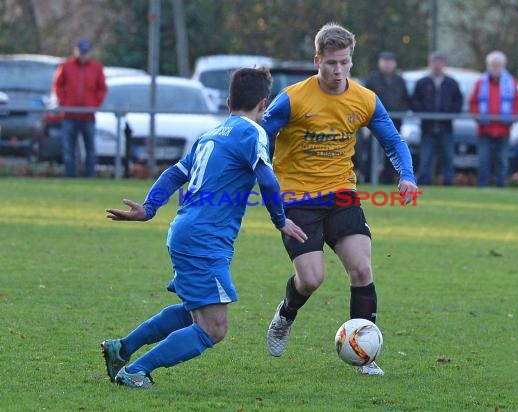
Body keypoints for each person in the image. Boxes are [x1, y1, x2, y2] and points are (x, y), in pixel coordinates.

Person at [100, 68, 307, 389]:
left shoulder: (210, 135)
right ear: (264, 105)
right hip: (204, 238)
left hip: (185, 230)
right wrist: (281, 220)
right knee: (214, 328)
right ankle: (136, 370)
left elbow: (174, 173)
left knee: (192, 311)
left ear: (227, 102)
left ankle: (121, 349)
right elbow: (268, 180)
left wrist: (150, 208)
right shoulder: (253, 133)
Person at [262, 23, 418, 376]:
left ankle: (365, 355)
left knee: (362, 268)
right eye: (331, 63)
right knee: (311, 279)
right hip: (297, 199)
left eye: (344, 62)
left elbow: (393, 142)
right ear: (317, 60)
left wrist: (406, 175)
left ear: (351, 60)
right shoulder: (292, 98)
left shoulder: (364, 99)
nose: (337, 70)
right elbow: (258, 138)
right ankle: (286, 315)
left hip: (342, 193)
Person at [53, 38, 107, 178]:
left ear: (90, 52)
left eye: (86, 52)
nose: (83, 55)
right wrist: (63, 102)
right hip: (69, 115)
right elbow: (57, 85)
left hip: (88, 115)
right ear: (75, 51)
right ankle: (69, 176)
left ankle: (90, 177)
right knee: (68, 149)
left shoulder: (97, 68)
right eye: (81, 52)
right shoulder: (66, 66)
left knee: (90, 149)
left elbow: (102, 88)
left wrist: (94, 105)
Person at [469, 50, 518, 187]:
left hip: (503, 129)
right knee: (483, 159)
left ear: (504, 65)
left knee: (502, 160)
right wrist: (477, 116)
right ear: (488, 65)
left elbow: (517, 102)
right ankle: (482, 185)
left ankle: (501, 185)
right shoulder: (480, 83)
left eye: (498, 64)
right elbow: (473, 101)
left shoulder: (512, 83)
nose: (495, 67)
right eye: (493, 64)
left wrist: (513, 116)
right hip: (484, 128)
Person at [411, 51, 463, 186]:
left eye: (439, 62)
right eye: (434, 62)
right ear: (430, 64)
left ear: (444, 64)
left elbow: (458, 101)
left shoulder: (451, 83)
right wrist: (425, 113)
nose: (437, 66)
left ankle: (448, 182)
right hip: (427, 127)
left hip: (446, 128)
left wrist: (449, 113)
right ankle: (424, 182)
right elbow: (414, 101)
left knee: (448, 157)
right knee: (425, 157)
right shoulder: (422, 82)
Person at [364, 51, 410, 184]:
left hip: (394, 122)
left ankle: (388, 179)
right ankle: (368, 178)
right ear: (379, 63)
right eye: (385, 61)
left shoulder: (399, 80)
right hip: (374, 122)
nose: (387, 64)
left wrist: (399, 111)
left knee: (393, 151)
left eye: (390, 61)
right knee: (371, 151)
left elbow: (405, 100)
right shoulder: (372, 79)